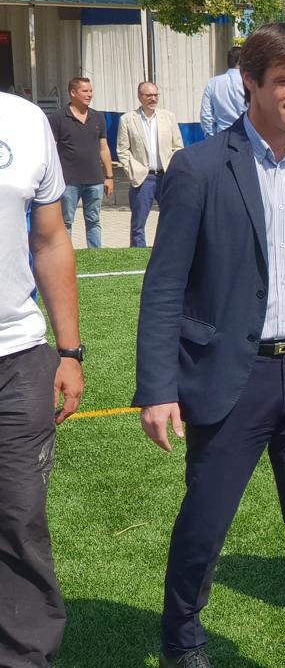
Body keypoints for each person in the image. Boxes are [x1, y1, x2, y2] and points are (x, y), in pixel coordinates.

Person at [133, 23, 285, 668]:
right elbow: (163, 288)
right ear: (251, 84)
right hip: (226, 380)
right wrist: (158, 390)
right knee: (205, 527)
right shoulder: (199, 167)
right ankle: (183, 639)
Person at [0, 90, 84, 668]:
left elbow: (50, 239)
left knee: (19, 517)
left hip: (18, 357)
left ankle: (26, 658)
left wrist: (70, 351)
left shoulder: (25, 120)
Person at [116, 81, 184, 248]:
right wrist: (132, 171)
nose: (153, 99)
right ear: (140, 97)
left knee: (171, 217)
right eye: (149, 95)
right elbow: (122, 150)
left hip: (166, 176)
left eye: (155, 95)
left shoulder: (169, 117)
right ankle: (138, 254)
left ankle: (167, 249)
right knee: (138, 222)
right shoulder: (127, 119)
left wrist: (174, 169)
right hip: (142, 177)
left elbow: (178, 146)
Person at [48, 77, 112, 248]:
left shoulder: (98, 117)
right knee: (66, 222)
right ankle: (65, 254)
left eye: (90, 91)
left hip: (95, 180)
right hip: (69, 181)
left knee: (94, 220)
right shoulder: (57, 118)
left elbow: (104, 148)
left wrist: (109, 176)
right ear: (73, 93)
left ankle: (95, 255)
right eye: (85, 91)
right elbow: (51, 151)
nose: (89, 94)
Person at [200, 45, 246, 137]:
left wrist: (211, 137)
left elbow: (206, 115)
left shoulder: (212, 83)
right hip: (245, 137)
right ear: (242, 62)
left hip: (222, 136)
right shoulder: (249, 82)